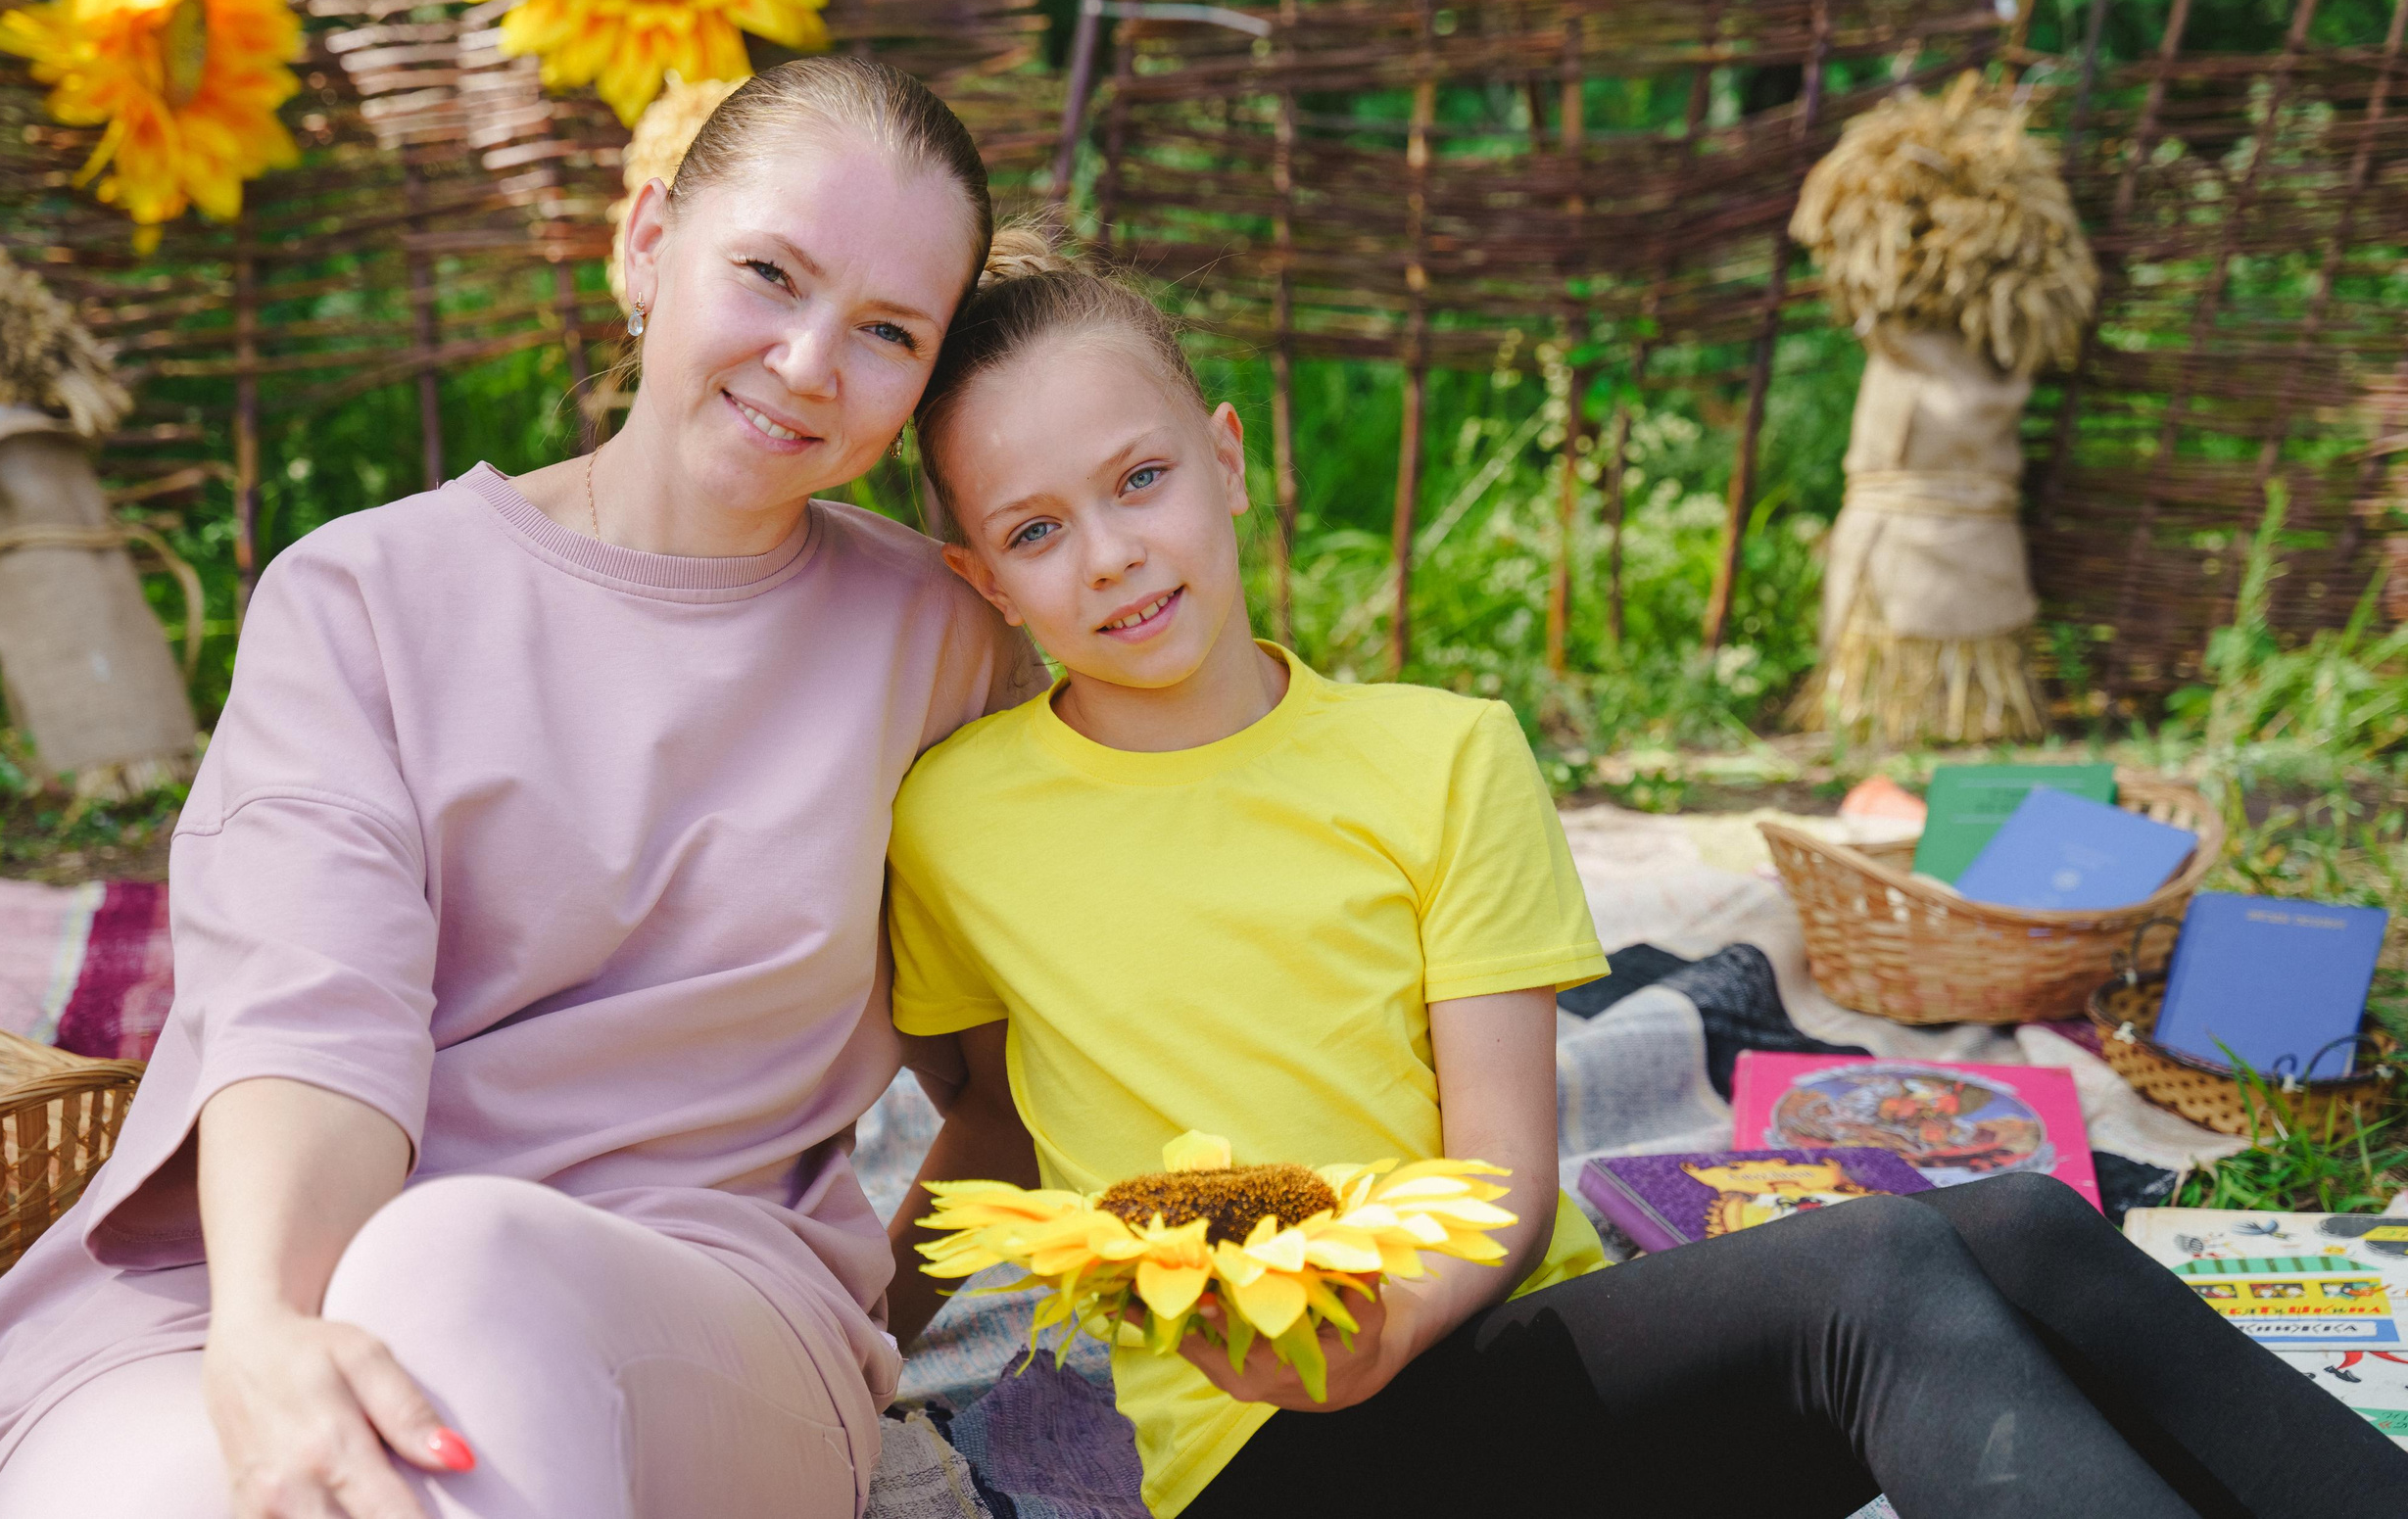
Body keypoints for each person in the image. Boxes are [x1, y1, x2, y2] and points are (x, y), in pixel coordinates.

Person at [878, 235, 2408, 1519]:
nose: (1111, 556)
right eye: (1035, 529)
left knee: (2015, 1224)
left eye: (1139, 477)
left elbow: (1496, 1180)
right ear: (980, 578)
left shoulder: (1441, 757)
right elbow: (992, 1123)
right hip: (1276, 1450)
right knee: (1877, 1271)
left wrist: (1392, 1320)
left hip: (1514, 1354)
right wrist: (855, 1340)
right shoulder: (959, 819)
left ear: (1224, 459)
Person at [0, 57, 1044, 1519]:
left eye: (888, 331)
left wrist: (855, 1335)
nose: (811, 361)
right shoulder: (365, 596)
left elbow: (1008, 1079)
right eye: (769, 273)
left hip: (689, 1317)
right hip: (233, 1292)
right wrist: (264, 1335)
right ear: (648, 246)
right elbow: (314, 1009)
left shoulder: (941, 645)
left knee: (462, 1264)